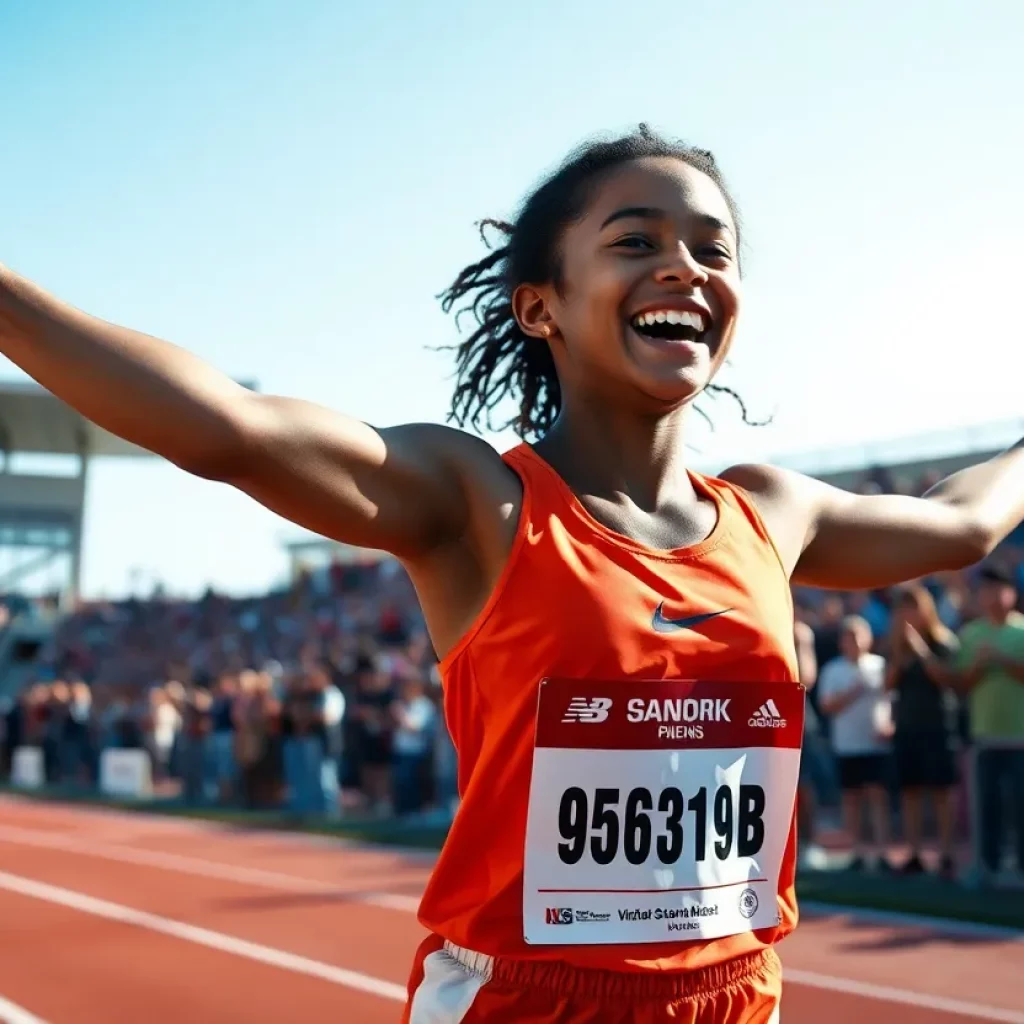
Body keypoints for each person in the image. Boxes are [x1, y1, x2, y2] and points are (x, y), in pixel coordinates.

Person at [2, 124, 1023, 1024]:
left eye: (712, 249)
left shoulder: (774, 514)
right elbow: (230, 430)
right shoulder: (478, 504)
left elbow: (964, 522)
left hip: (735, 994)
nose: (684, 268)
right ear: (541, 306)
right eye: (637, 242)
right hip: (524, 1005)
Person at [953, 565, 1024, 882]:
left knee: (1020, 805)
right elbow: (962, 684)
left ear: (1012, 594)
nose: (991, 597)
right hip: (984, 736)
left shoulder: (1021, 631)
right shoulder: (971, 634)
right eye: (985, 590)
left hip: (1020, 736)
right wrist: (980, 664)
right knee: (987, 805)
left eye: (997, 590)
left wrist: (1000, 658)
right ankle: (988, 866)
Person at [885, 584, 961, 878]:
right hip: (907, 727)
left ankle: (947, 853)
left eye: (912, 607)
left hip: (938, 725)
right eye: (902, 608)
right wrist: (900, 655)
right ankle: (914, 853)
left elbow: (946, 679)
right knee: (910, 791)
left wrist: (920, 650)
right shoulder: (896, 647)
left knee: (942, 791)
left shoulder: (942, 642)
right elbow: (888, 685)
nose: (907, 614)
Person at [817, 616, 892, 871]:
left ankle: (882, 852)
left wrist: (889, 725)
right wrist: (854, 692)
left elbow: (892, 700)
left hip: (876, 744)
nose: (855, 642)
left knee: (878, 796)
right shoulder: (833, 670)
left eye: (859, 636)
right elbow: (827, 705)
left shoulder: (880, 666)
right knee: (851, 799)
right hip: (848, 744)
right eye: (850, 637)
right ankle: (856, 851)